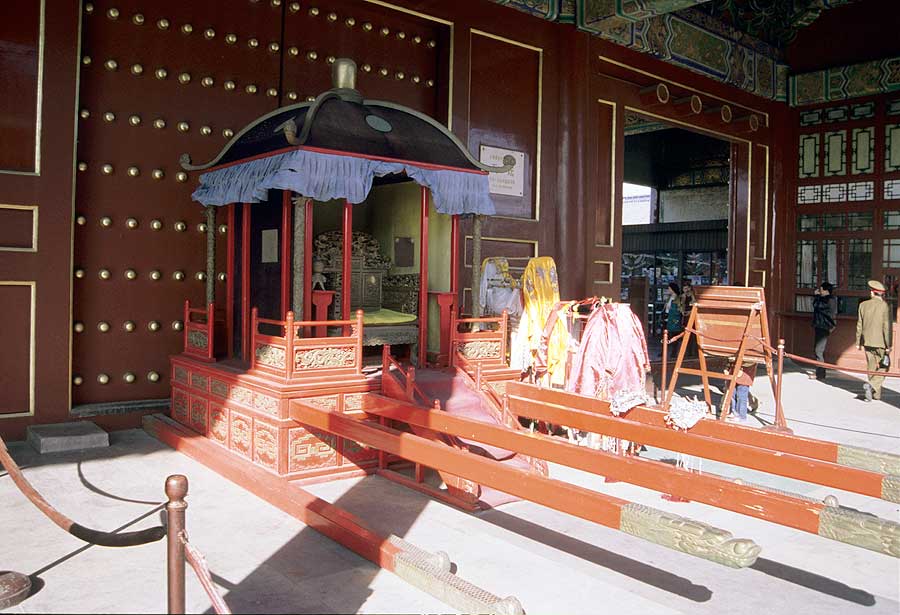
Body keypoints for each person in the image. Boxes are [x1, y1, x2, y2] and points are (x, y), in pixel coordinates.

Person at [856, 280, 892, 402]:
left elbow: (859, 325)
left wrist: (858, 342)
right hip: (880, 342)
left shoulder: (863, 305)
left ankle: (875, 394)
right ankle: (872, 385)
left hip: (867, 341)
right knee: (885, 366)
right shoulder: (884, 306)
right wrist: (888, 345)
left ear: (872, 292)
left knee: (871, 367)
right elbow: (886, 327)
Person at [812, 282, 837, 380]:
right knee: (819, 350)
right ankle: (820, 372)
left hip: (823, 326)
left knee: (818, 350)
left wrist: (816, 296)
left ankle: (820, 374)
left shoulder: (829, 300)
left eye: (821, 290)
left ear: (826, 291)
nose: (820, 291)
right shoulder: (828, 299)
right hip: (821, 326)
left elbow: (817, 305)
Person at [664, 282, 683, 359]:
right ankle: (664, 351)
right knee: (666, 335)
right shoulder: (669, 297)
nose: (668, 290)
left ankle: (674, 352)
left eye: (669, 288)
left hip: (674, 318)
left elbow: (679, 309)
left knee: (674, 335)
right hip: (668, 316)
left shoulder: (678, 298)